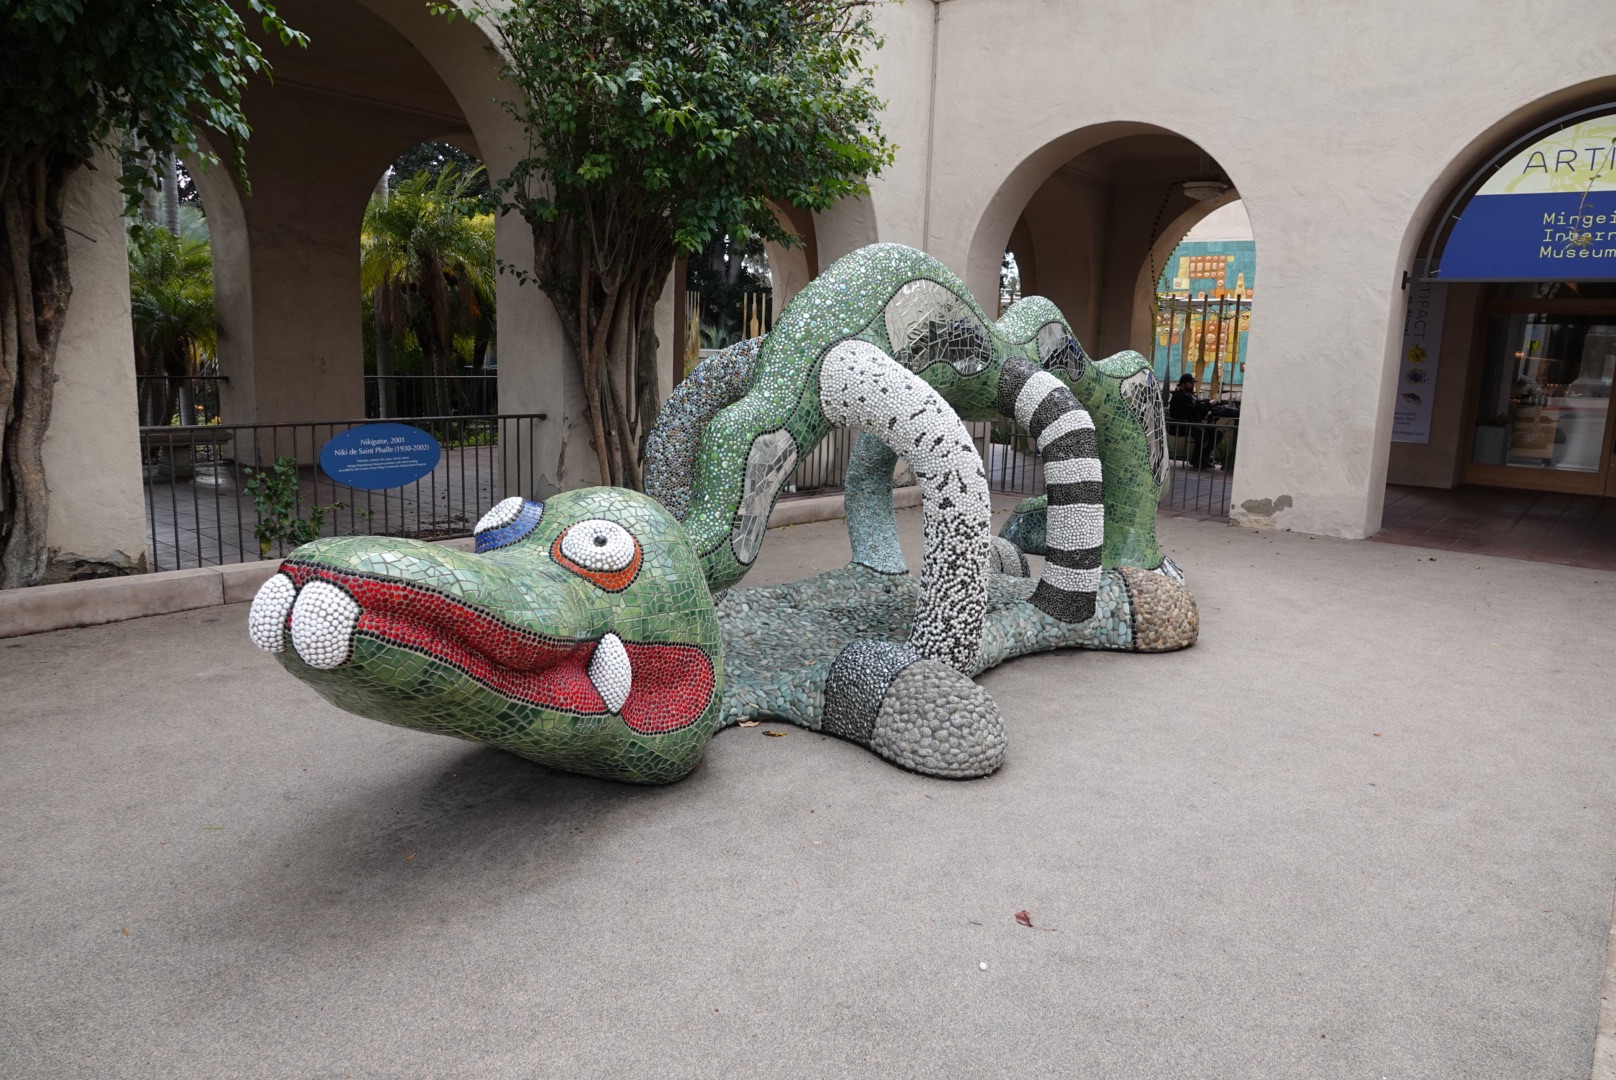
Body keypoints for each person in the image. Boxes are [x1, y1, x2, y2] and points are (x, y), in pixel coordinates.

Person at [1167, 374, 1212, 467]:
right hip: (1180, 425)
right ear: (1183, 385)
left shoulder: (1192, 396)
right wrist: (1207, 404)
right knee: (1202, 433)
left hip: (1192, 424)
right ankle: (1196, 459)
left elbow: (1198, 411)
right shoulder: (1178, 396)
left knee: (1215, 433)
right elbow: (1190, 410)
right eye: (1190, 383)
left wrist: (1207, 407)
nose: (1193, 385)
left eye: (1193, 383)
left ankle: (1203, 457)